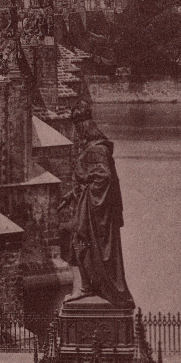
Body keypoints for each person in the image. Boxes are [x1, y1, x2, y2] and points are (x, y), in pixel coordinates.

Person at [63, 116, 132, 303]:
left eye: (78, 128)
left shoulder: (96, 149)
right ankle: (87, 286)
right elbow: (93, 177)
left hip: (94, 208)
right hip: (91, 203)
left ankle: (87, 287)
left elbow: (104, 177)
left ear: (84, 127)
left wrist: (87, 192)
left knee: (80, 243)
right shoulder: (95, 147)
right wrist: (73, 194)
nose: (76, 132)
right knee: (80, 244)